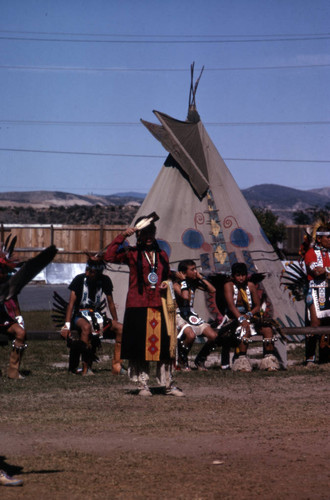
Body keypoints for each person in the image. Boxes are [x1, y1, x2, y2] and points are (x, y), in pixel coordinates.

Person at [104, 215, 184, 397]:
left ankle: (167, 384)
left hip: (159, 305)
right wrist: (122, 236)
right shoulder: (131, 253)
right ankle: (142, 384)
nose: (148, 236)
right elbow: (108, 256)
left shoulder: (162, 255)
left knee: (164, 346)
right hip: (138, 305)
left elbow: (165, 275)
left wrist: (166, 282)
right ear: (138, 235)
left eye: (151, 232)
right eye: (145, 233)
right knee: (140, 347)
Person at [60, 255, 123, 375]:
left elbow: (111, 303)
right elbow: (71, 304)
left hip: (97, 315)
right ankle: (86, 366)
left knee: (120, 328)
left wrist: (114, 320)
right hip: (79, 315)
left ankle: (117, 365)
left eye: (91, 272)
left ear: (98, 272)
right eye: (87, 270)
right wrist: (67, 325)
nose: (88, 273)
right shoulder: (79, 279)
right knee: (86, 327)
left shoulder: (105, 280)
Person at [223, 262, 280, 372]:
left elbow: (257, 306)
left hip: (249, 315)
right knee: (245, 329)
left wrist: (248, 315)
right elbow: (231, 306)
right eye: (238, 275)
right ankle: (242, 363)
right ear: (233, 276)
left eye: (243, 275)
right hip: (232, 317)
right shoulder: (228, 286)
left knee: (268, 329)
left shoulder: (250, 285)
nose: (241, 278)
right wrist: (241, 319)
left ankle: (269, 362)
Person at [174, 259, 218, 371]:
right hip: (179, 314)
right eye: (192, 270)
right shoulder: (176, 284)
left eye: (195, 269)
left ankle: (200, 359)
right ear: (183, 272)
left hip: (191, 314)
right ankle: (182, 359)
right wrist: (183, 280)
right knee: (191, 335)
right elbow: (185, 297)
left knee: (213, 336)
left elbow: (213, 290)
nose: (195, 272)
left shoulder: (193, 283)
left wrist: (201, 278)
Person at [303, 223, 330, 364]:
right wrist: (326, 270)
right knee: (315, 323)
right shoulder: (310, 253)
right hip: (315, 291)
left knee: (328, 324)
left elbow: (322, 270)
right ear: (319, 239)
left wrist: (325, 270)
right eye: (328, 237)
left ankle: (325, 357)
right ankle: (310, 358)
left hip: (329, 291)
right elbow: (316, 271)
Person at [0, 250, 27, 380]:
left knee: (21, 333)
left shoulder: (9, 282)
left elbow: (14, 301)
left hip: (3, 318)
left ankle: (13, 371)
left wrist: (18, 317)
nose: (4, 273)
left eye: (5, 270)